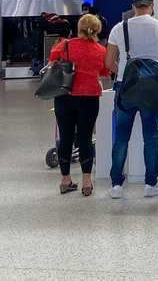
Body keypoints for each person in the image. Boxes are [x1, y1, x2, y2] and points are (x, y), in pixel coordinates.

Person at [105, 0, 158, 199]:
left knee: (121, 138)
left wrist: (123, 71)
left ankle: (117, 186)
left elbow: (108, 62)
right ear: (152, 5)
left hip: (125, 88)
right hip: (152, 90)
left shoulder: (120, 28)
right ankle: (150, 184)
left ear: (133, 6)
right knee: (151, 137)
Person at [49, 14, 109, 196]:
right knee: (85, 138)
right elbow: (104, 73)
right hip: (89, 98)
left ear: (78, 28)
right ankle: (87, 182)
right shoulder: (101, 50)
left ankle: (65, 180)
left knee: (66, 137)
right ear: (97, 30)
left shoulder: (64, 45)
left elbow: (51, 65)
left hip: (64, 96)